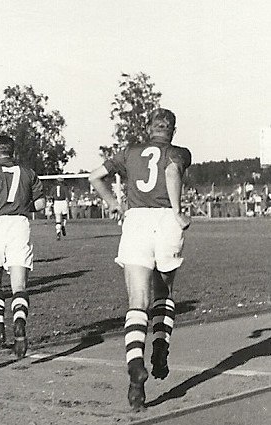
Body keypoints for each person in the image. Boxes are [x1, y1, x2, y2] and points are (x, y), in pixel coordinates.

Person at [88, 108, 191, 411]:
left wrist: (113, 203)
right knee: (164, 293)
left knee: (137, 301)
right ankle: (160, 346)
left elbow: (95, 176)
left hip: (137, 221)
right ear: (171, 130)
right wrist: (176, 210)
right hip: (166, 223)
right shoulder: (179, 151)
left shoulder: (130, 152)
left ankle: (136, 373)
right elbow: (171, 171)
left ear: (149, 128)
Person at [0, 135, 45, 359]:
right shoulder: (28, 172)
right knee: (19, 284)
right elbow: (41, 204)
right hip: (19, 223)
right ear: (12, 152)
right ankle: (19, 327)